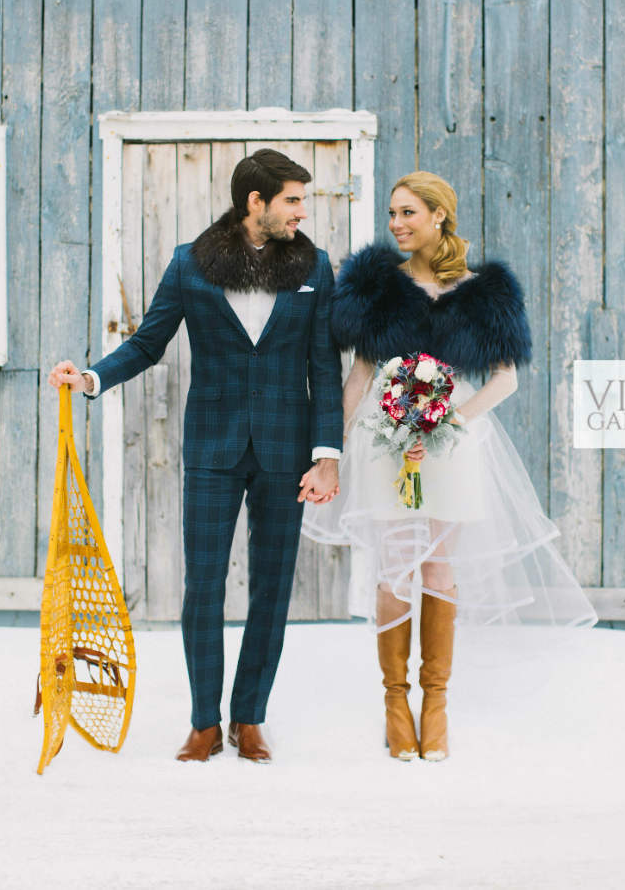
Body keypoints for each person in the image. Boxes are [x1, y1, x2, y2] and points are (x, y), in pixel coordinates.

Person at [49, 149, 343, 763]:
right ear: (254, 202)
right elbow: (149, 343)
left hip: (289, 453)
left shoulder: (315, 266)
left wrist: (327, 455)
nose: (301, 211)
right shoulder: (191, 264)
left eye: (302, 200)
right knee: (203, 585)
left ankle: (250, 718)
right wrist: (92, 379)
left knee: (272, 587)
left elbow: (324, 365)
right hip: (213, 446)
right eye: (291, 199)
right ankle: (205, 722)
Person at [302, 171, 597, 762]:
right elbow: (359, 376)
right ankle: (394, 701)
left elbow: (505, 380)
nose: (396, 224)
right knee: (393, 568)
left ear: (440, 215)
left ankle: (435, 702)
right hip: (384, 440)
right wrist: (330, 454)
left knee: (438, 566)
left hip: (454, 444)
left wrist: (450, 421)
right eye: (391, 214)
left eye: (409, 212)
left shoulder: (486, 293)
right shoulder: (373, 287)